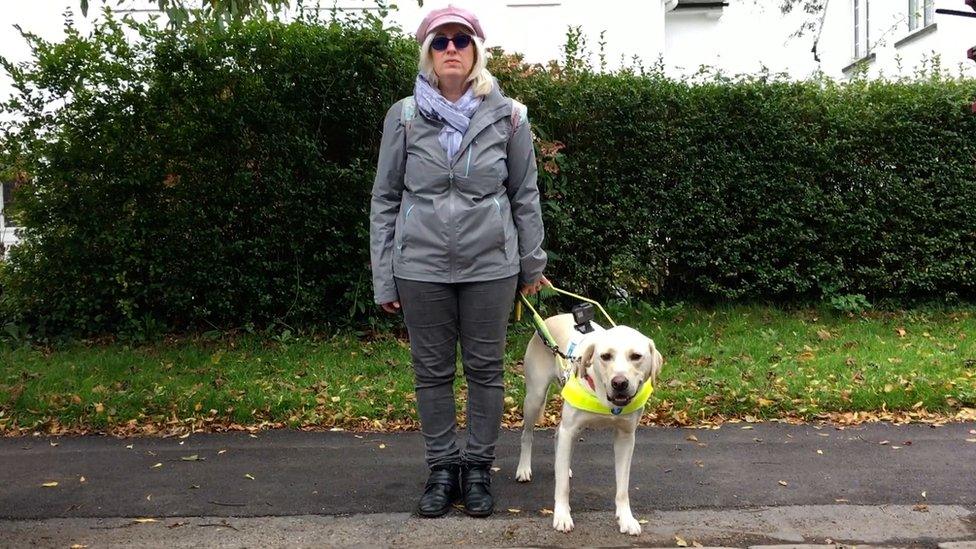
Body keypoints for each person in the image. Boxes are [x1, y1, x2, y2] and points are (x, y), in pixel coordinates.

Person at [369, 4, 549, 518]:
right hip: (420, 266)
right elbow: (385, 198)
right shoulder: (402, 116)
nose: (452, 48)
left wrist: (532, 264)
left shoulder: (510, 115)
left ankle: (477, 469)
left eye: (461, 40)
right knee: (430, 371)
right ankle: (442, 467)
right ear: (428, 52)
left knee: (486, 370)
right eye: (441, 41)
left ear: (476, 51)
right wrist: (385, 275)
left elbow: (524, 194)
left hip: (491, 265)